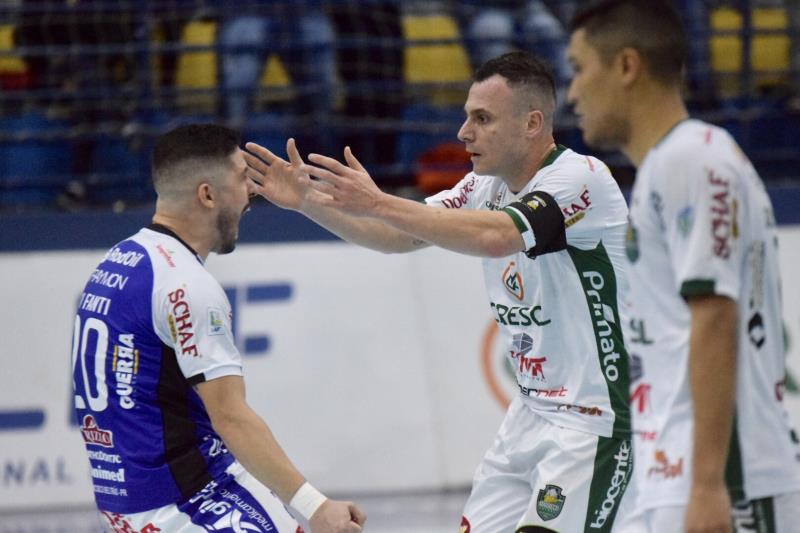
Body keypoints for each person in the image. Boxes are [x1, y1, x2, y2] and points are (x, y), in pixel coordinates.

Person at [246, 51, 633, 532]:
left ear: (532, 123)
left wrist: (380, 201)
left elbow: (497, 237)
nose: (463, 132)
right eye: (467, 116)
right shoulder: (482, 186)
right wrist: (308, 204)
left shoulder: (581, 180)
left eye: (482, 118)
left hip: (591, 422)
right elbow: (396, 237)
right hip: (528, 417)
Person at [566, 1, 800, 532]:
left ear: (627, 66)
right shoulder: (669, 166)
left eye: (580, 69)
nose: (573, 93)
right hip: (676, 469)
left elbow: (715, 316)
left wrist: (706, 485)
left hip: (727, 480)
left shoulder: (690, 159)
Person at [70, 123, 366, 533]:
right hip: (188, 501)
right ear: (207, 195)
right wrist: (315, 507)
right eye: (244, 178)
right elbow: (231, 417)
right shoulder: (186, 286)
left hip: (126, 502)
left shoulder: (120, 259)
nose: (253, 193)